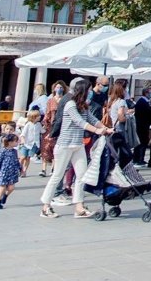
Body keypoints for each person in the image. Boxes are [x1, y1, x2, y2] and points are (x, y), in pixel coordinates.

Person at [39, 78, 113, 219]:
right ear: (83, 90)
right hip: (65, 145)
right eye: (89, 89)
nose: (91, 92)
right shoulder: (70, 104)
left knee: (81, 176)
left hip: (78, 145)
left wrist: (105, 128)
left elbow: (92, 119)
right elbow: (79, 121)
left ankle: (79, 207)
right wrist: (97, 131)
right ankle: (45, 207)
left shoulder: (83, 105)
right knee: (57, 175)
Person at [40, 80, 66, 177]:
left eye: (61, 87)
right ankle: (43, 169)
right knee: (46, 146)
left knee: (56, 147)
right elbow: (47, 113)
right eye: (57, 87)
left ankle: (53, 168)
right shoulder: (50, 100)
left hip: (61, 126)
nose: (59, 89)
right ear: (54, 89)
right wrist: (44, 123)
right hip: (50, 125)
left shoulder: (65, 100)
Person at [0, 132, 23, 209]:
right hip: (4, 172)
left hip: (12, 172)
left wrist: (20, 168)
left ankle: (5, 196)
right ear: (10, 142)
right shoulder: (3, 151)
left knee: (11, 188)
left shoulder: (14, 151)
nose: (17, 142)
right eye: (16, 141)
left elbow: (16, 161)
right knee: (2, 187)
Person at [19, 109, 42, 178]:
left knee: (28, 158)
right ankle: (19, 169)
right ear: (34, 117)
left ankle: (24, 171)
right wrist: (22, 140)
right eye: (38, 116)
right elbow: (23, 134)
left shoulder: (39, 124)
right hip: (26, 144)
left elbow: (42, 131)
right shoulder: (28, 124)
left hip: (34, 144)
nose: (40, 116)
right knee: (22, 157)